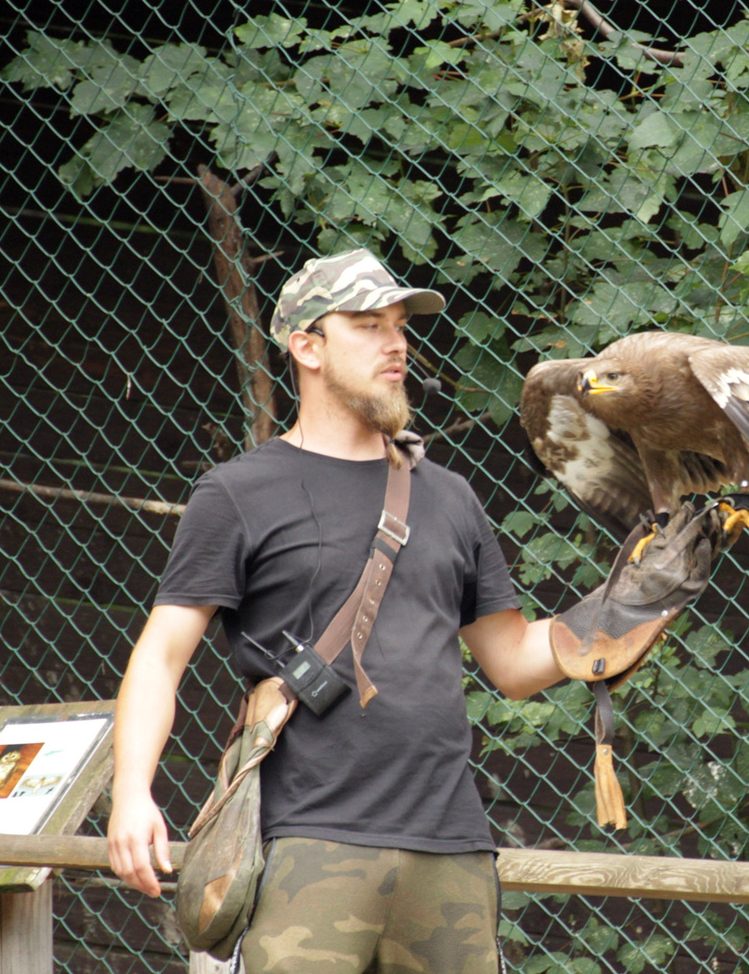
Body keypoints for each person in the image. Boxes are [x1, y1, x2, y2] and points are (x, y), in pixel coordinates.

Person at [106, 249, 614, 973]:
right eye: (369, 324)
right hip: (309, 843)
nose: (397, 342)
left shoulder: (448, 496)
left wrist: (634, 604)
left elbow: (512, 660)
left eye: (401, 325)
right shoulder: (240, 493)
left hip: (451, 844)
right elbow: (160, 656)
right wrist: (132, 793)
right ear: (306, 346)